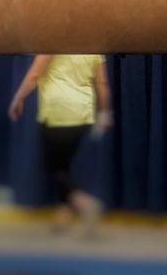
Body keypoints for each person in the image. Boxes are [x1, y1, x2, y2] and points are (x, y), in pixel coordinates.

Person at [8, 54, 111, 232]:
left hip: (58, 112)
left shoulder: (53, 41)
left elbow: (34, 74)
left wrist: (18, 98)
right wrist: (104, 113)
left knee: (53, 168)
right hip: (83, 114)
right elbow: (101, 84)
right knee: (63, 166)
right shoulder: (95, 48)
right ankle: (62, 217)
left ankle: (85, 202)